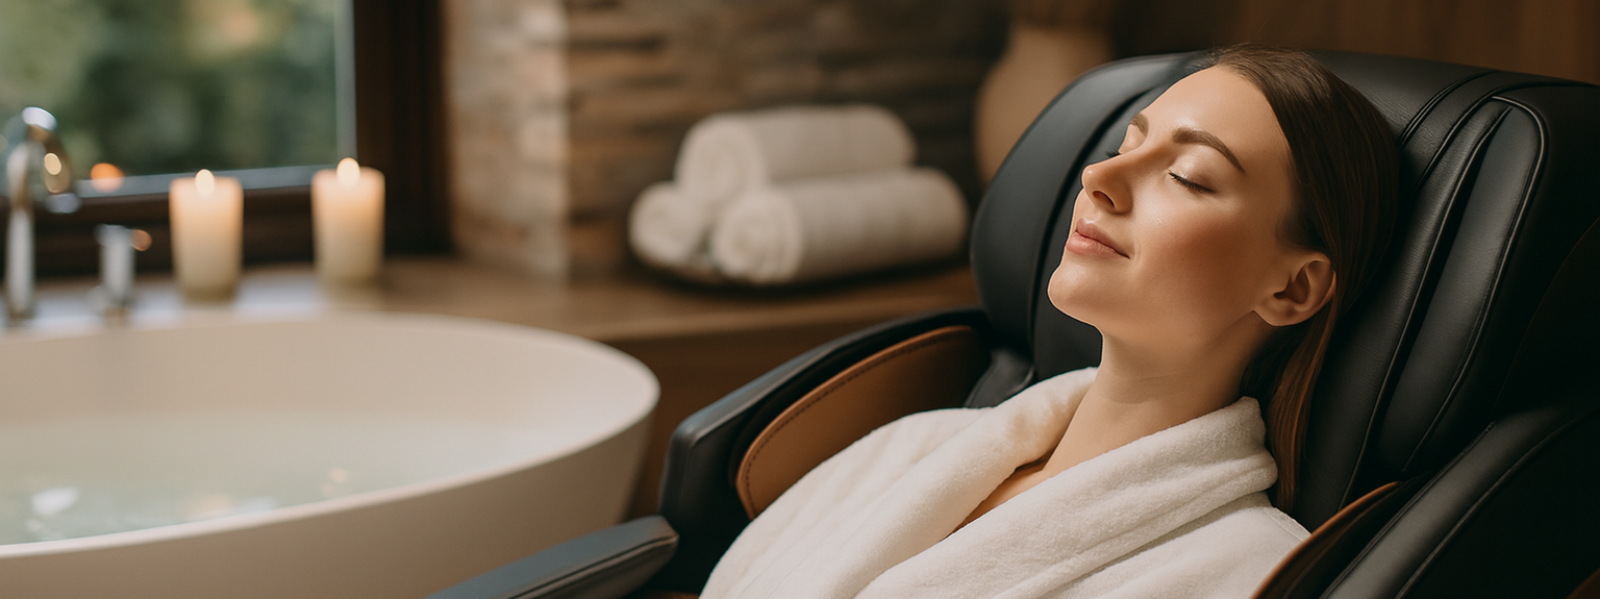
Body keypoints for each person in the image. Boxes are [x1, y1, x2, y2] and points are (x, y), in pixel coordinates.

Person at [700, 45, 1399, 599]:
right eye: (1127, 145)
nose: (1100, 175)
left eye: (1187, 175)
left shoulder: (1242, 571)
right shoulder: (918, 448)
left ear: (1292, 287)